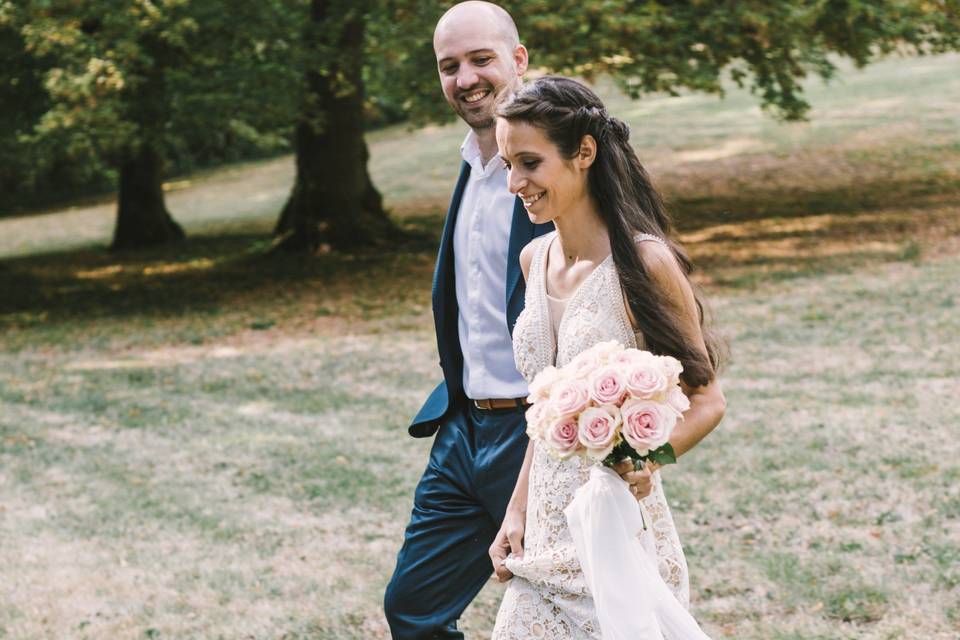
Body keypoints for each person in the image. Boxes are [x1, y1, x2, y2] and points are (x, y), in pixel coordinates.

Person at [383, 4, 655, 639]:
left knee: (569, 615)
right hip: (460, 428)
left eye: (481, 59)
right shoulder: (472, 171)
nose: (466, 78)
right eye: (449, 66)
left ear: (519, 60)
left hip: (541, 435)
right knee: (412, 610)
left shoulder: (558, 179)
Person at [489, 76, 728, 638]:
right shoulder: (533, 258)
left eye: (528, 163)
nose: (514, 183)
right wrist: (516, 509)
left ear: (584, 153)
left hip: (617, 531)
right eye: (506, 165)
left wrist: (650, 460)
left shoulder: (644, 264)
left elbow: (707, 399)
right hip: (544, 535)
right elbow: (543, 416)